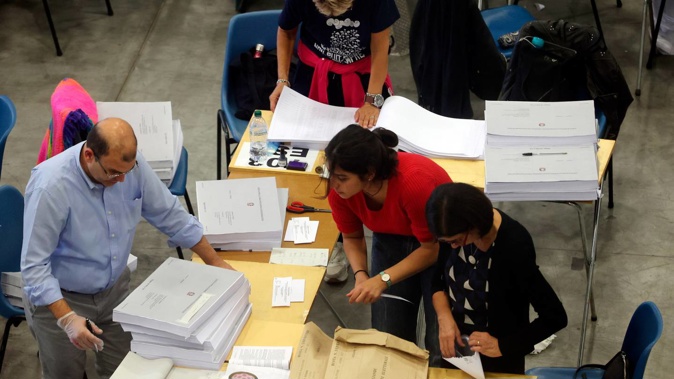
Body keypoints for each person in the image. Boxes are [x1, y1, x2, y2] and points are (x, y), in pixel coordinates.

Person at [21, 118, 234, 379]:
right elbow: (34, 268)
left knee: (125, 372)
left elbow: (169, 214)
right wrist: (67, 318)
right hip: (63, 298)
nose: (122, 180)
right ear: (89, 155)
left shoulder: (128, 167)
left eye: (127, 171)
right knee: (65, 374)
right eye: (113, 172)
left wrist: (215, 262)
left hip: (114, 292)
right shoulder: (50, 187)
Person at [324, 124, 452, 366]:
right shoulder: (340, 192)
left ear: (369, 173)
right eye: (331, 174)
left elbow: (430, 250)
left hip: (440, 240)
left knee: (441, 342)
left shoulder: (413, 183)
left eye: (342, 178)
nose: (334, 184)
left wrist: (382, 278)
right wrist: (362, 275)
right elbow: (351, 237)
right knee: (389, 337)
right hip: (391, 233)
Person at [425, 183, 568, 374]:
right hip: (458, 346)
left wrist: (503, 346)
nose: (452, 247)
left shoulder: (514, 245)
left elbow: (555, 317)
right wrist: (444, 318)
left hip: (498, 354)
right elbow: (437, 282)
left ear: (475, 225)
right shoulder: (450, 228)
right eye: (446, 242)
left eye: (456, 241)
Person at [269, 0, 399, 128]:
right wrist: (282, 80)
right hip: (312, 71)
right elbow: (286, 32)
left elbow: (379, 49)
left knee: (370, 134)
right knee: (301, 131)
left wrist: (372, 101)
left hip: (363, 73)